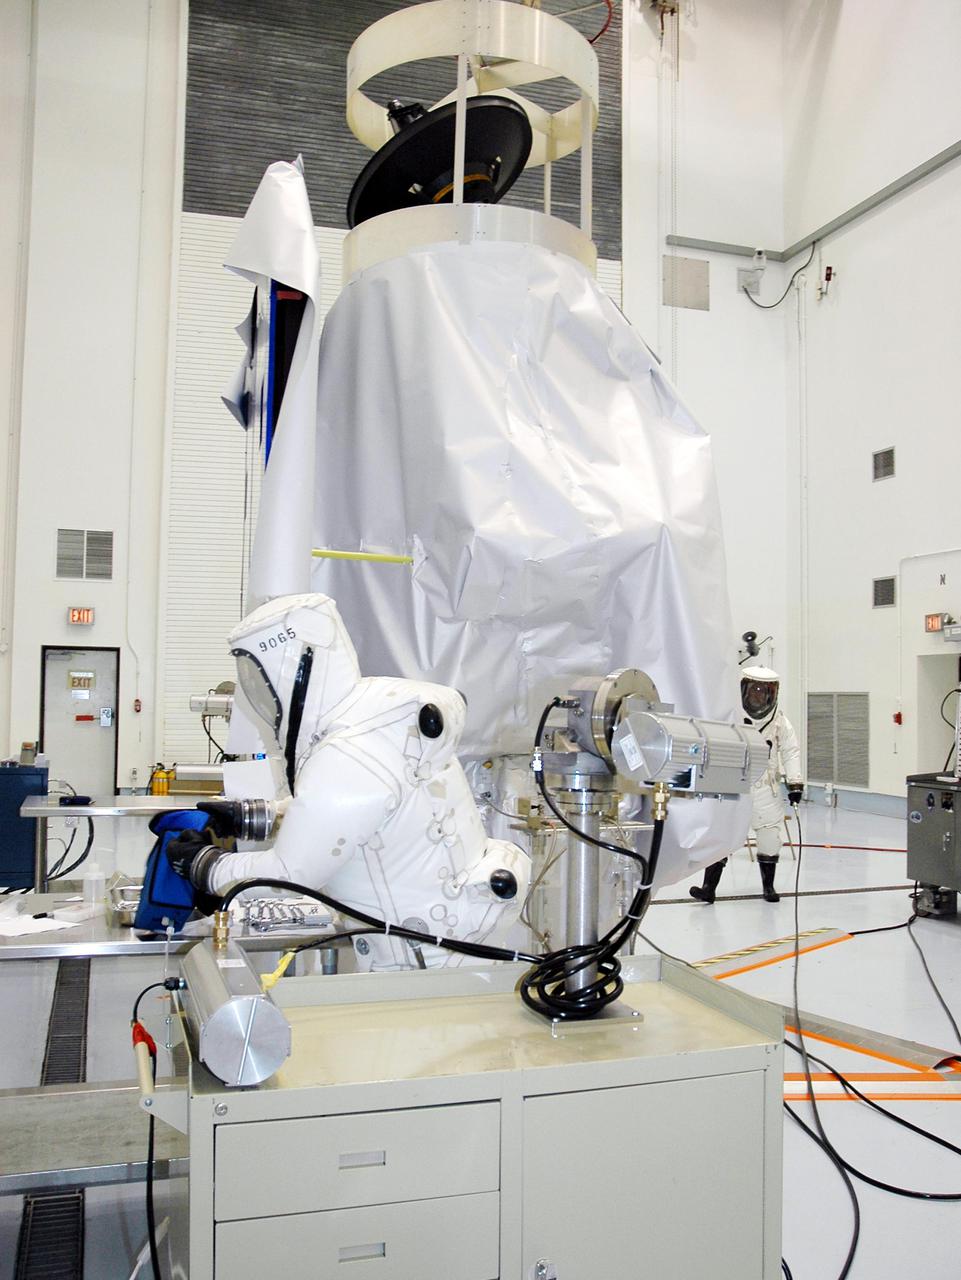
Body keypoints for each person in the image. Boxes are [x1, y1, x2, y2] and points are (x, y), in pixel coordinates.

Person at [166, 593, 529, 968]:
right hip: (443, 944)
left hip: (427, 961)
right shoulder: (370, 717)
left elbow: (291, 873)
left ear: (297, 668)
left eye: (263, 681)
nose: (262, 696)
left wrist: (205, 867)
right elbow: (351, 816)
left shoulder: (351, 750)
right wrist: (255, 817)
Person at [690, 665, 803, 904]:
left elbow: (791, 752)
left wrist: (795, 783)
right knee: (723, 835)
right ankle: (708, 888)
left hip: (765, 785)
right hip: (733, 784)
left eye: (765, 691)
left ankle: (769, 887)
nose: (760, 695)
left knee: (770, 837)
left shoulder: (780, 722)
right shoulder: (730, 717)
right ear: (744, 690)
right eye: (755, 689)